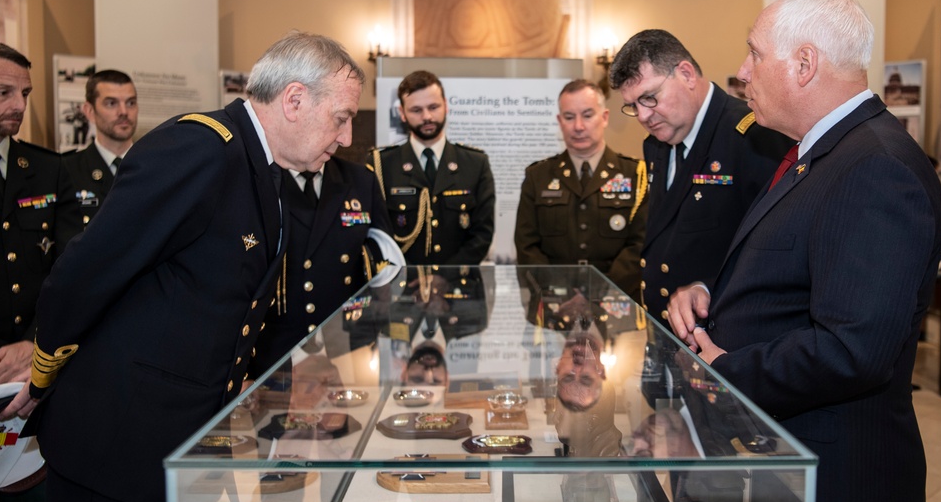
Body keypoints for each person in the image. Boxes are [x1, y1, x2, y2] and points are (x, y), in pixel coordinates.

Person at [3, 30, 365, 502]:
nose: (348, 136)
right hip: (119, 449)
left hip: (183, 446)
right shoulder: (202, 147)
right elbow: (86, 271)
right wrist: (43, 372)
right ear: (293, 100)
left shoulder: (262, 168)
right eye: (341, 117)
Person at [667, 0, 941, 502]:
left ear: (803, 63)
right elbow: (797, 269)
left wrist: (728, 370)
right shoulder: (822, 153)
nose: (742, 72)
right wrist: (709, 294)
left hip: (837, 486)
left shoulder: (875, 168)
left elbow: (852, 349)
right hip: (792, 466)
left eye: (754, 53)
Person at [0, 41, 78, 502]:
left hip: (39, 378)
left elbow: (72, 271)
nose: (18, 105)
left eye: (24, 94)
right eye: (3, 91)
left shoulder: (49, 170)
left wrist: (35, 343)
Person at [610, 29, 792, 324]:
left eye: (649, 97)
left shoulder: (753, 136)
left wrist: (707, 285)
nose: (643, 116)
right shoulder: (656, 144)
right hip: (665, 331)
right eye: (633, 106)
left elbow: (776, 251)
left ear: (686, 74)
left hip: (723, 335)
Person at [250, 153, 403, 375]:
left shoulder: (360, 179)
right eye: (339, 120)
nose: (346, 139)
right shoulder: (261, 178)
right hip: (279, 350)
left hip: (348, 345)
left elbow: (384, 263)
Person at [514, 79, 647, 296]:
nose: (578, 126)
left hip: (617, 306)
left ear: (604, 117)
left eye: (587, 115)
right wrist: (563, 295)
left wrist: (597, 295)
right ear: (559, 121)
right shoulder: (537, 176)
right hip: (554, 306)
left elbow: (640, 245)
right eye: (569, 117)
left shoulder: (636, 175)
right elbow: (527, 248)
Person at [367, 70, 495, 265]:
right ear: (402, 113)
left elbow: (482, 235)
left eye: (433, 107)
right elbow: (375, 235)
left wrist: (444, 278)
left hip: (459, 287)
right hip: (402, 288)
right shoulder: (380, 165)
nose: (427, 116)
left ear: (446, 106)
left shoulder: (475, 163)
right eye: (416, 110)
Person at [62, 69, 138, 228]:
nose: (124, 112)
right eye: (111, 103)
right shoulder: (67, 170)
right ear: (89, 111)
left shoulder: (154, 166)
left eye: (130, 103)